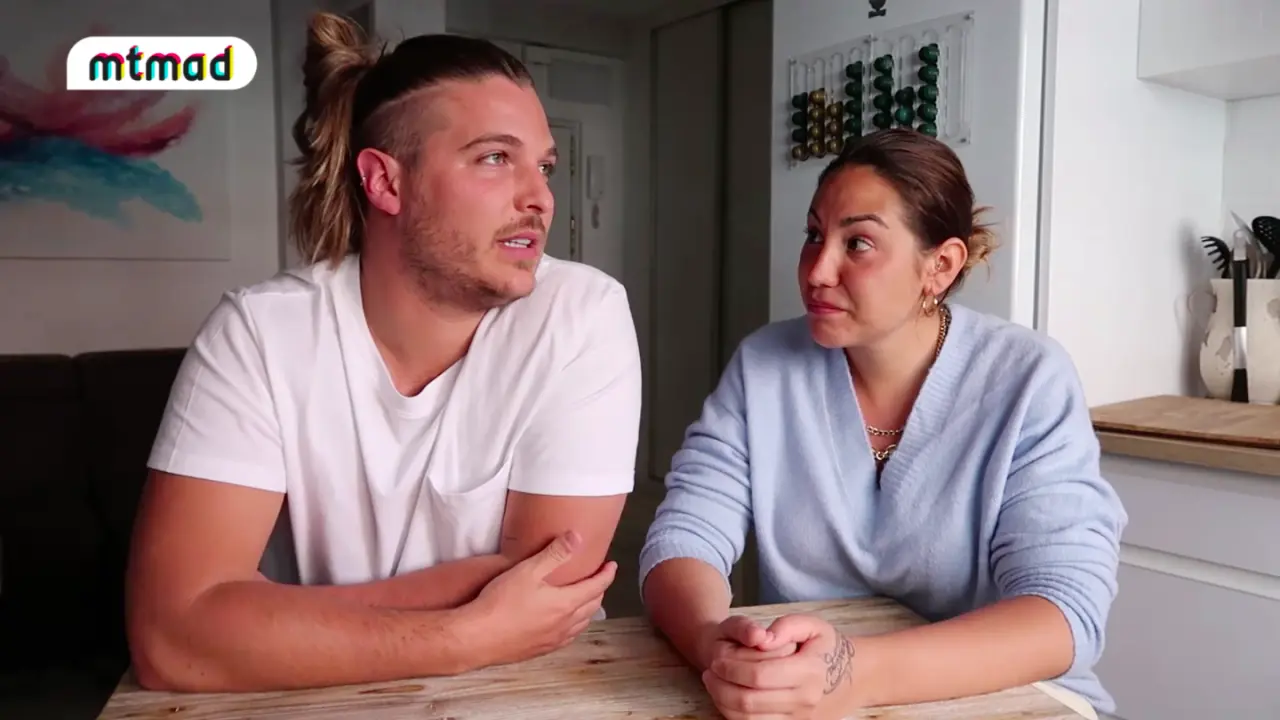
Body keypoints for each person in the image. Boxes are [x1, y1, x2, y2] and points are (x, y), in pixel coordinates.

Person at [124, 12, 642, 692]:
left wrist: (264, 619)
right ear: (385, 182)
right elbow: (171, 638)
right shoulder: (258, 334)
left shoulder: (582, 314)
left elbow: (553, 592)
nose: (540, 197)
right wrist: (465, 634)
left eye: (543, 166)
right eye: (495, 158)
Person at [638, 128, 1128, 719]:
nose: (817, 271)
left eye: (859, 243)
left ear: (940, 266)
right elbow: (683, 538)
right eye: (814, 236)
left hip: (1009, 702)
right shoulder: (764, 365)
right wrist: (712, 644)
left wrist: (853, 673)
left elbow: (1065, 614)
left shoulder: (1027, 377)